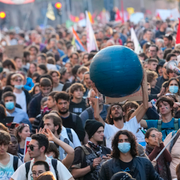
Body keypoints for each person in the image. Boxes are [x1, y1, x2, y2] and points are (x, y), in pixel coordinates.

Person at [98, 130, 162, 180]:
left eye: (126, 140)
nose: (123, 143)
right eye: (120, 141)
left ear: (131, 143)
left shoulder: (145, 164)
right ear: (116, 144)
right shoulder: (107, 166)